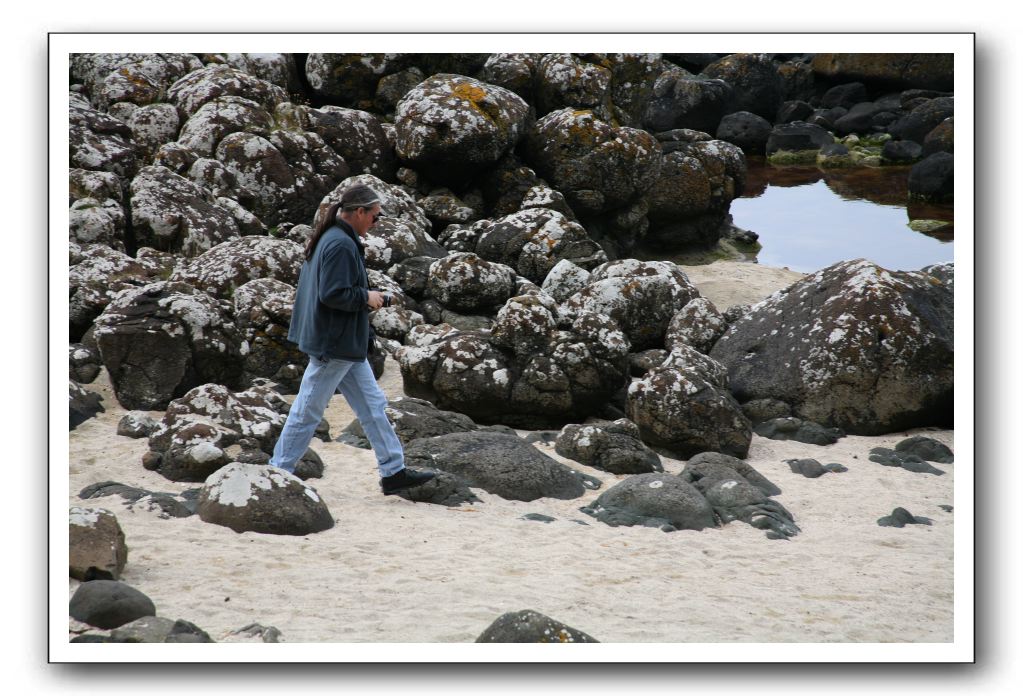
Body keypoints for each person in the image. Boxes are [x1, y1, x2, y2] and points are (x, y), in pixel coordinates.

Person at [269, 184, 435, 496]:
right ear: (359, 212)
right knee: (307, 411)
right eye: (375, 215)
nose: (376, 221)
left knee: (373, 406)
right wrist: (368, 297)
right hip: (334, 344)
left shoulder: (331, 236)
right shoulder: (340, 244)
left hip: (343, 343)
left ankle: (393, 471)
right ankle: (278, 472)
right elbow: (332, 294)